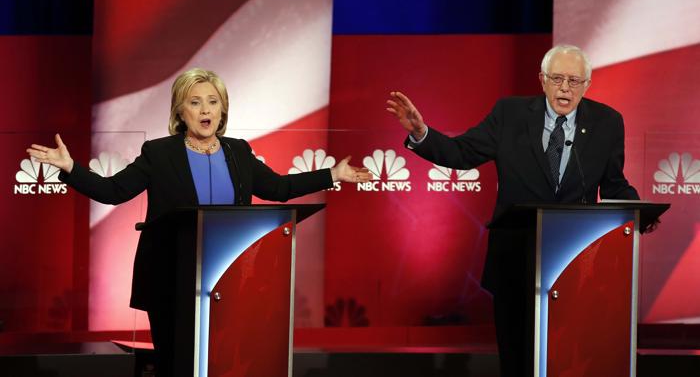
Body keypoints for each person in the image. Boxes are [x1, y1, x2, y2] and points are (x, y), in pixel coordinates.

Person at [27, 68, 372, 376]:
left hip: (232, 280)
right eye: (195, 102)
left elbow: (279, 188)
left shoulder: (239, 152)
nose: (205, 109)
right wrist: (71, 168)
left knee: (226, 363)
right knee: (176, 364)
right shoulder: (159, 153)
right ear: (180, 110)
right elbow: (113, 190)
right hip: (171, 281)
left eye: (212, 101)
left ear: (222, 109)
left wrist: (333, 174)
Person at [386, 44, 640, 377]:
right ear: (542, 80)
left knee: (568, 361)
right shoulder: (510, 115)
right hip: (515, 261)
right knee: (518, 360)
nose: (565, 88)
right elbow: (461, 153)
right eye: (558, 78)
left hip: (576, 263)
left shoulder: (606, 122)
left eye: (575, 81)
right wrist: (422, 132)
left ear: (587, 85)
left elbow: (613, 184)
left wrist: (639, 211)